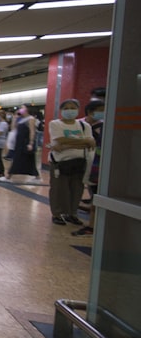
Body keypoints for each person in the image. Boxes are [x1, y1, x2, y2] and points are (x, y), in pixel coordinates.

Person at [47, 98, 95, 226]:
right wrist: (82, 142)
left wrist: (67, 142)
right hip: (59, 162)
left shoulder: (84, 126)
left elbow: (92, 143)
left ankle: (72, 214)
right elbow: (59, 141)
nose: (70, 110)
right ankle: (57, 214)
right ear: (61, 110)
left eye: (72, 108)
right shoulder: (55, 124)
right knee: (59, 189)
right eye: (66, 108)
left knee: (77, 189)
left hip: (80, 162)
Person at [73, 99, 105, 236]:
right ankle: (91, 224)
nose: (102, 113)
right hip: (87, 162)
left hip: (98, 164)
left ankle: (93, 226)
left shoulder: (104, 126)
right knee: (93, 193)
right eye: (100, 110)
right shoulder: (79, 124)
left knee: (97, 196)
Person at [9, 107, 41, 183]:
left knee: (19, 158)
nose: (20, 110)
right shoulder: (21, 119)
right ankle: (37, 176)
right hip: (19, 142)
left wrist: (31, 143)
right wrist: (14, 118)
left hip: (25, 142)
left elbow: (32, 131)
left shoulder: (31, 119)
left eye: (22, 108)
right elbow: (13, 128)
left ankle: (8, 176)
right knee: (27, 160)